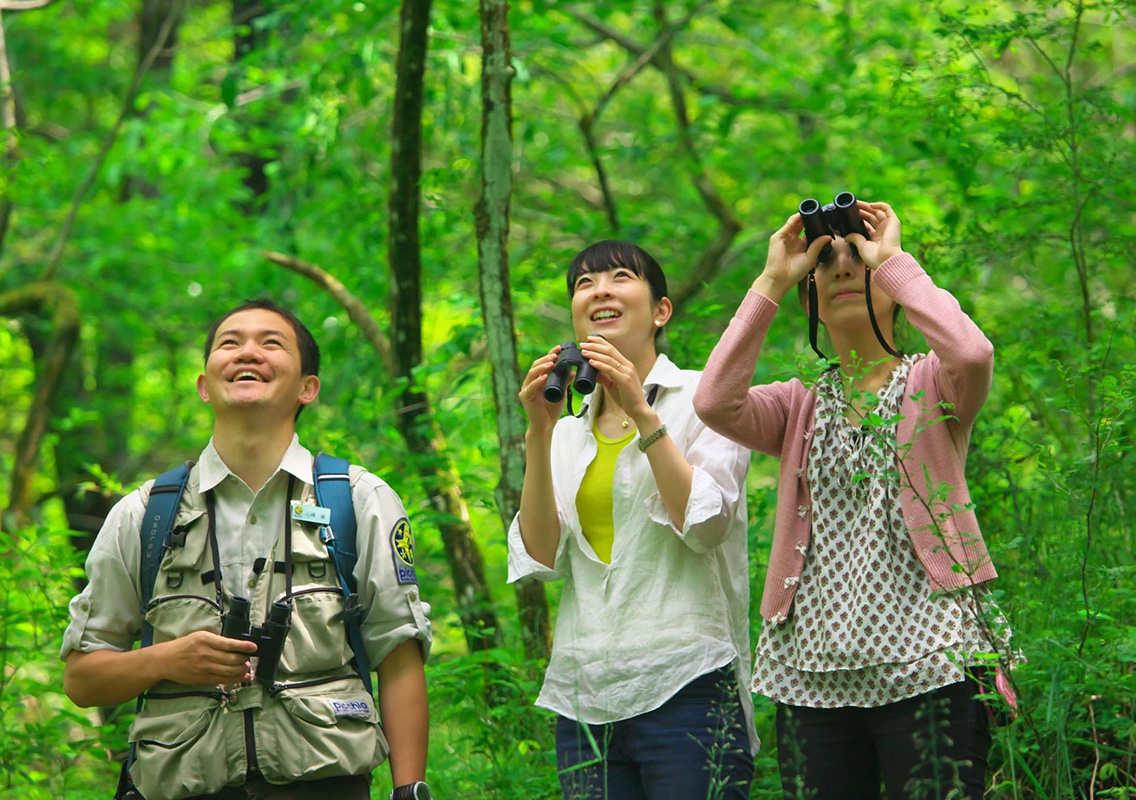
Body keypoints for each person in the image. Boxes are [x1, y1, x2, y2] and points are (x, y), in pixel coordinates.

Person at [694, 201, 1015, 799]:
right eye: (826, 260)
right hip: (816, 674)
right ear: (808, 299)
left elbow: (972, 354)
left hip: (931, 659)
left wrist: (891, 258)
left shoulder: (932, 384)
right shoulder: (797, 408)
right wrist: (773, 280)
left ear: (892, 288)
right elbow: (715, 402)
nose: (842, 266)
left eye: (856, 257)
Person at [61, 299, 434, 800]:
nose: (247, 353)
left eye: (271, 343)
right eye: (229, 343)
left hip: (327, 785)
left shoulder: (359, 500)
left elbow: (398, 655)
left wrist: (409, 791)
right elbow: (83, 679)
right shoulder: (144, 515)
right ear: (203, 384)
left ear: (308, 387)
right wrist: (169, 659)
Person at [509, 240, 757, 800]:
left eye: (621, 277)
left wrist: (643, 413)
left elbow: (705, 527)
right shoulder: (567, 431)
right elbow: (540, 559)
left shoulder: (706, 398)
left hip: (688, 682)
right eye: (584, 284)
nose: (600, 290)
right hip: (584, 696)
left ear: (660, 310)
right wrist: (539, 431)